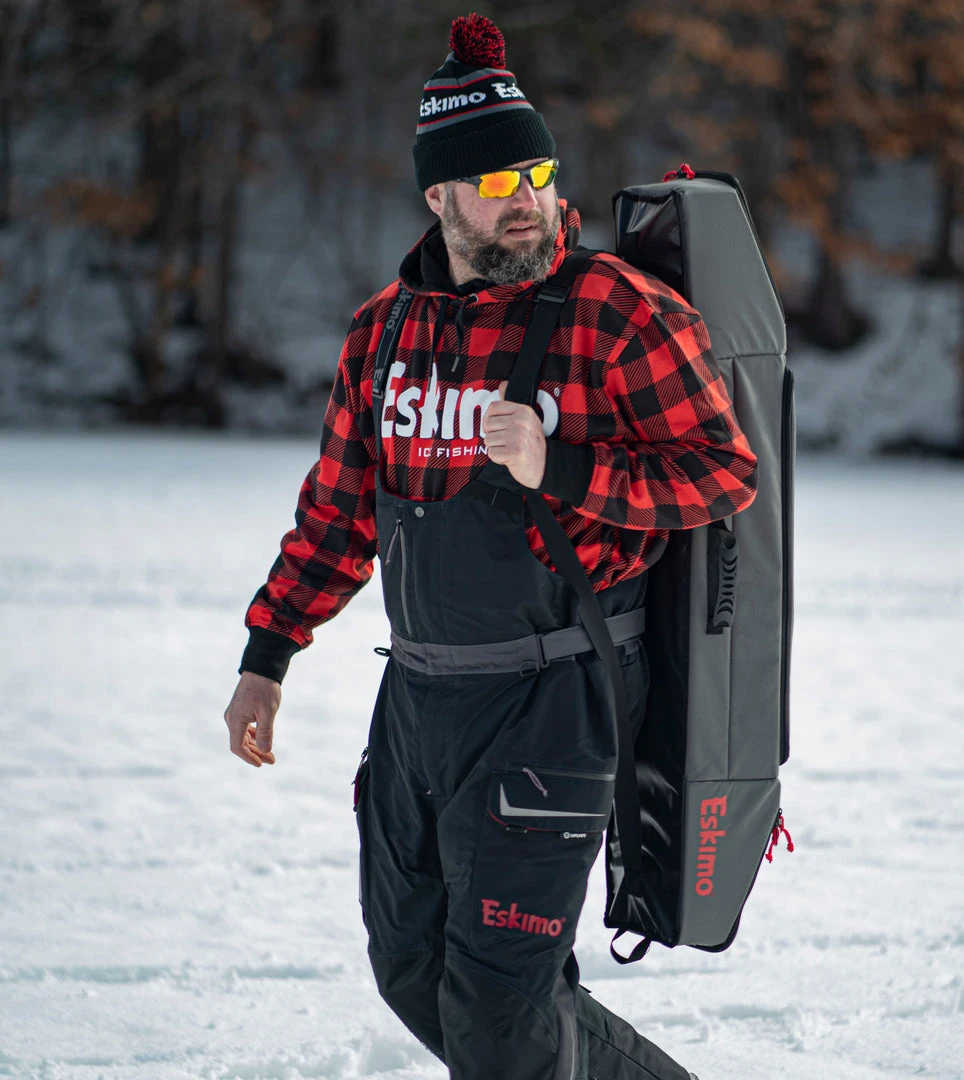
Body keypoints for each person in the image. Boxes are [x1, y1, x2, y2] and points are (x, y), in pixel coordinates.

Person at [223, 13, 757, 1080]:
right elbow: (337, 513)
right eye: (499, 181)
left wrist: (563, 469)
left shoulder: (616, 313)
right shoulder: (384, 331)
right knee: (415, 971)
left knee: (501, 1015)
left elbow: (722, 473)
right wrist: (266, 656)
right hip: (419, 700)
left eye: (540, 174)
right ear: (440, 197)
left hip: (557, 699)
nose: (528, 200)